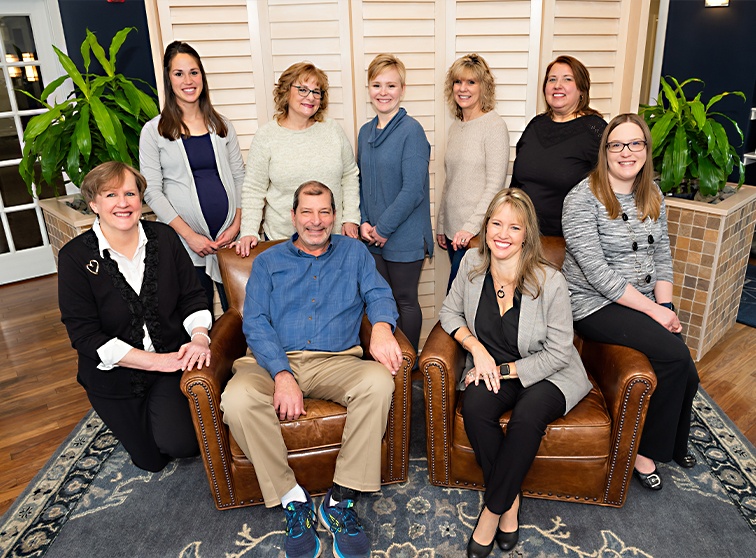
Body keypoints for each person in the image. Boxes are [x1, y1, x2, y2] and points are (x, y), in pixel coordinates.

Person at [221, 181, 403, 558]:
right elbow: (254, 321)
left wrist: (382, 327)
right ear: (293, 216)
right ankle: (293, 499)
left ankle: (339, 501)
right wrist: (281, 373)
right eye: (307, 212)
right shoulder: (268, 261)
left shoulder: (355, 252)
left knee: (378, 381)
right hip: (272, 361)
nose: (315, 221)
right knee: (236, 398)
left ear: (335, 217)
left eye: (324, 212)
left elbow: (379, 294)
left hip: (336, 360)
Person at [440, 189, 591, 557]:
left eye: (514, 226)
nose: (502, 234)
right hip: (493, 366)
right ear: (486, 226)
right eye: (496, 224)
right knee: (474, 407)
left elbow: (558, 352)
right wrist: (476, 350)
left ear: (527, 234)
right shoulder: (471, 268)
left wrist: (503, 368)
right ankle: (512, 500)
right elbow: (449, 313)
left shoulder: (549, 281)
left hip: (549, 372)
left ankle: (494, 510)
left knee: (526, 418)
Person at [562, 113, 700, 492]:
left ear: (646, 150)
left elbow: (663, 258)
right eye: (617, 145)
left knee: (687, 368)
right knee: (674, 356)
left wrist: (667, 309)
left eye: (635, 144)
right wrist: (654, 312)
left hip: (640, 300)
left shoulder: (651, 194)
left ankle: (675, 442)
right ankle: (644, 449)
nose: (627, 152)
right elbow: (597, 273)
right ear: (605, 151)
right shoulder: (582, 199)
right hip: (592, 303)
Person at [58, 162, 210, 472]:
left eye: (130, 193)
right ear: (93, 204)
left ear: (141, 199)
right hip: (113, 378)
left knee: (183, 445)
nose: (123, 202)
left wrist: (199, 338)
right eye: (111, 194)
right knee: (150, 461)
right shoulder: (75, 257)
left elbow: (193, 297)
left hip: (169, 365)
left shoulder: (165, 238)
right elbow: (85, 336)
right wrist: (158, 361)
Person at [140, 41, 245, 313]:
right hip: (186, 244)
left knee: (240, 313)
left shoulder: (222, 126)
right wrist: (190, 236)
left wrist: (235, 225)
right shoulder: (154, 132)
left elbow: (240, 177)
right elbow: (152, 191)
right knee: (199, 315)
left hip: (229, 239)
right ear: (168, 79)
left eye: (194, 72)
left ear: (202, 77)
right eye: (179, 73)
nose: (188, 80)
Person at [236, 62, 360, 256]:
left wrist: (351, 218)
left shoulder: (332, 130)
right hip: (283, 241)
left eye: (316, 92)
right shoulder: (267, 136)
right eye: (302, 89)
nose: (310, 97)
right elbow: (254, 188)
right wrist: (249, 231)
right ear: (286, 91)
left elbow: (350, 176)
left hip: (332, 240)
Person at [357, 54, 433, 351]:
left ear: (402, 88)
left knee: (404, 299)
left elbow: (414, 189)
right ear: (369, 88)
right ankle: (387, 360)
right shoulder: (365, 132)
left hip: (403, 235)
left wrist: (384, 228)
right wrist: (364, 221)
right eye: (377, 85)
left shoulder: (411, 131)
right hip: (371, 237)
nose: (383, 92)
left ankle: (408, 365)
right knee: (380, 300)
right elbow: (360, 182)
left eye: (391, 85)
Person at [510, 55, 607, 237]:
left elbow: (610, 188)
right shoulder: (536, 125)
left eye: (567, 79)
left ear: (581, 90)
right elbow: (516, 184)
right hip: (522, 236)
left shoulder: (595, 128)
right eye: (552, 79)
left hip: (567, 241)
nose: (557, 85)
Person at [436, 53, 509, 290]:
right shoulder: (456, 126)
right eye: (458, 82)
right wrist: (441, 224)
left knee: (457, 299)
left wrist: (470, 228)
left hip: (474, 234)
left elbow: (495, 186)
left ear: (483, 87)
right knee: (461, 300)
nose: (462, 88)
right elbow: (451, 180)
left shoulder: (494, 126)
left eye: (471, 82)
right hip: (453, 232)